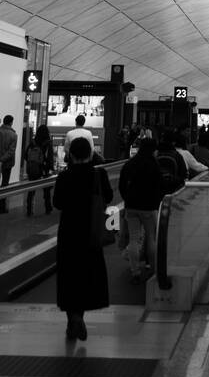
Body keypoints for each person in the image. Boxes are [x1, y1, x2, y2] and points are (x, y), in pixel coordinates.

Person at [53, 136, 113, 340]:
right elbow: (109, 197)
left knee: (69, 275)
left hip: (69, 231)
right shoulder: (98, 174)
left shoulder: (64, 176)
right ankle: (79, 316)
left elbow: (58, 203)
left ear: (70, 154)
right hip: (91, 231)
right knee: (88, 273)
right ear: (90, 154)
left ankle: (73, 318)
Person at [119, 137, 164, 284]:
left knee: (134, 239)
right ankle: (152, 270)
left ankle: (135, 271)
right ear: (152, 150)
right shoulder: (154, 165)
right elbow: (159, 186)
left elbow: (121, 185)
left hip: (131, 206)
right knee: (151, 238)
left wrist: (127, 198)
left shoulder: (130, 163)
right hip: (149, 207)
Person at [0, 114, 18, 211]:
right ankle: (1, 206)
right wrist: (2, 160)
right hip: (7, 164)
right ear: (11, 122)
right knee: (5, 184)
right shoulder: (13, 135)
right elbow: (11, 151)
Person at [25, 123, 54, 216]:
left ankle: (29, 209)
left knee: (31, 190)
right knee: (46, 190)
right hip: (44, 169)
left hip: (33, 168)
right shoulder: (48, 143)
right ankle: (48, 208)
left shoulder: (33, 142)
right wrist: (50, 167)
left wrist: (33, 162)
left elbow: (25, 155)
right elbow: (50, 157)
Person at [156, 129, 188, 194]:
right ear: (173, 142)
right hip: (173, 190)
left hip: (157, 190)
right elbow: (184, 175)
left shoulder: (156, 154)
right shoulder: (177, 155)